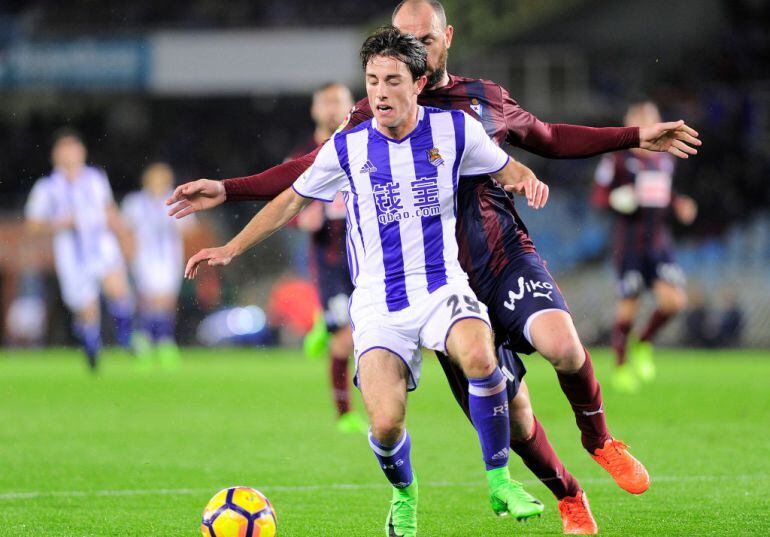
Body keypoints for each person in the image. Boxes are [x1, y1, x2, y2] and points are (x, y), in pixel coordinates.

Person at [168, 1, 701, 532]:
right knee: (513, 415)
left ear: (446, 37)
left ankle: (600, 439)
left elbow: (549, 139)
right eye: (399, 39)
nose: (410, 48)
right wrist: (229, 189)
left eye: (421, 39)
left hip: (498, 258)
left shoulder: (479, 105)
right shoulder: (369, 115)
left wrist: (630, 138)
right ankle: (568, 494)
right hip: (434, 281)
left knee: (562, 344)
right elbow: (302, 177)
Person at [185, 27, 550, 536]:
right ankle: (404, 494)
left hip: (442, 286)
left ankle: (499, 480)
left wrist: (527, 179)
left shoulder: (456, 131)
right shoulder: (348, 146)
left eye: (392, 80)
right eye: (372, 80)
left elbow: (507, 167)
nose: (379, 91)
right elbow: (291, 198)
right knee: (384, 423)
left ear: (419, 83)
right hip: (378, 303)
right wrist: (230, 247)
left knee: (481, 356)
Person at [593, 101, 697, 392]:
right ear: (629, 123)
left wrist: (679, 203)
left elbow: (664, 191)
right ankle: (621, 365)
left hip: (659, 241)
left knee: (674, 302)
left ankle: (644, 342)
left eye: (651, 117)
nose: (647, 122)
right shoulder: (616, 158)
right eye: (640, 118)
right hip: (629, 244)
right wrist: (616, 198)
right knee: (629, 307)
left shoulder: (665, 157)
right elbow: (599, 197)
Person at [289, 82, 368, 433]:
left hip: (371, 255)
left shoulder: (367, 143)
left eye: (340, 101)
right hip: (331, 261)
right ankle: (344, 414)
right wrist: (301, 218)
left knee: (373, 335)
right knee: (346, 339)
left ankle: (327, 321)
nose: (334, 109)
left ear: (352, 105)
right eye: (327, 103)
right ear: (314, 110)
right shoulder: (302, 157)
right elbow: (286, 206)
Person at [25, 128, 135, 370]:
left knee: (118, 288)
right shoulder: (47, 187)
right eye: (65, 149)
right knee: (87, 308)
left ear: (82, 152)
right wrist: (59, 223)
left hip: (101, 243)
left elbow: (108, 209)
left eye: (74, 148)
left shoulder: (96, 178)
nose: (71, 154)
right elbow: (32, 225)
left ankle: (126, 339)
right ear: (55, 155)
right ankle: (92, 346)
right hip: (71, 254)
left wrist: (124, 235)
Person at [122, 162, 197, 369]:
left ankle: (162, 341)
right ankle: (147, 341)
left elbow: (188, 230)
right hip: (145, 258)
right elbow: (125, 231)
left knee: (167, 301)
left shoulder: (177, 201)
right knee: (149, 300)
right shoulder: (134, 203)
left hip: (169, 257)